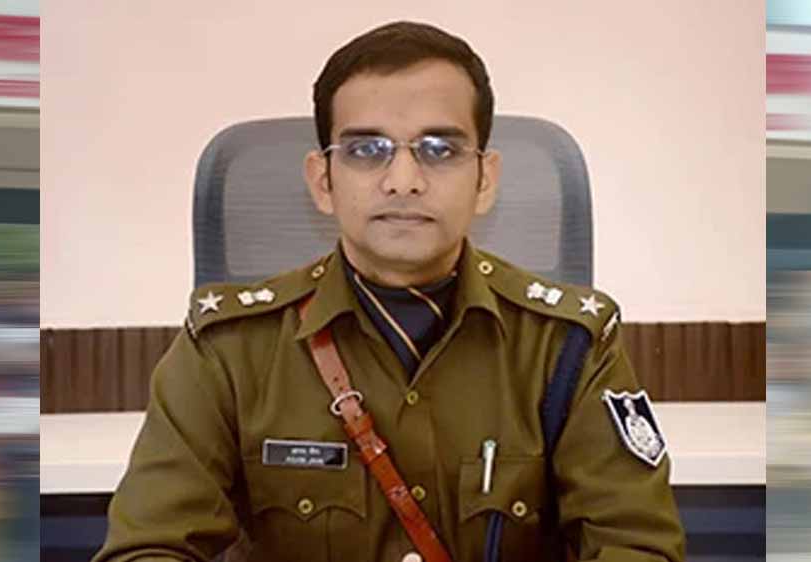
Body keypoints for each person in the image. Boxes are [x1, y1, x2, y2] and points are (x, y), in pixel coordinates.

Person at [92, 21, 685, 562]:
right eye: (366, 150)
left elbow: (638, 547)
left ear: (485, 180)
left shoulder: (568, 347)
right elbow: (147, 549)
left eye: (440, 150)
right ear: (323, 181)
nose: (403, 181)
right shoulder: (227, 350)